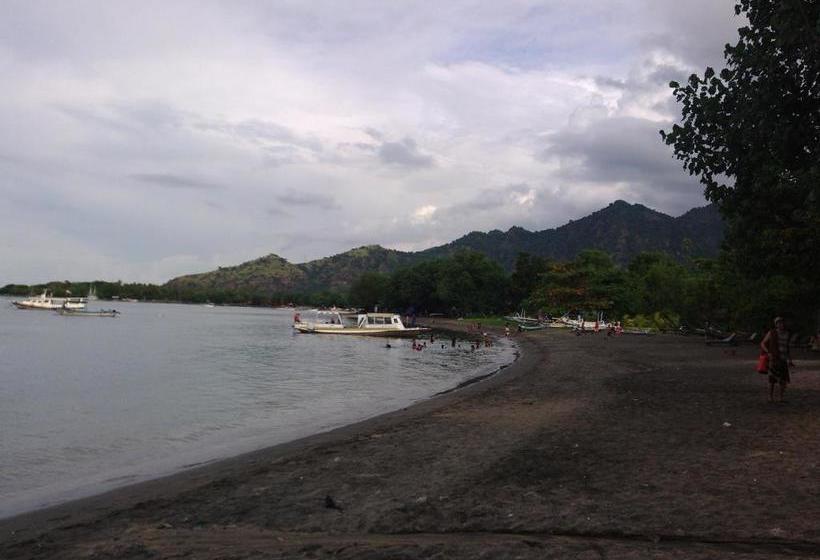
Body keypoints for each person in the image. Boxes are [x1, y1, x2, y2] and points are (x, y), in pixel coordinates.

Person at [760, 316, 795, 403]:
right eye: (778, 323)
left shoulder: (787, 334)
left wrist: (790, 360)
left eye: (782, 323)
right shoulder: (772, 333)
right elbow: (763, 343)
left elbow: (787, 348)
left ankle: (781, 397)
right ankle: (770, 397)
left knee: (783, 380)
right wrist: (768, 352)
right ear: (776, 324)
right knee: (772, 380)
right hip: (774, 359)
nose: (780, 324)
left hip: (783, 359)